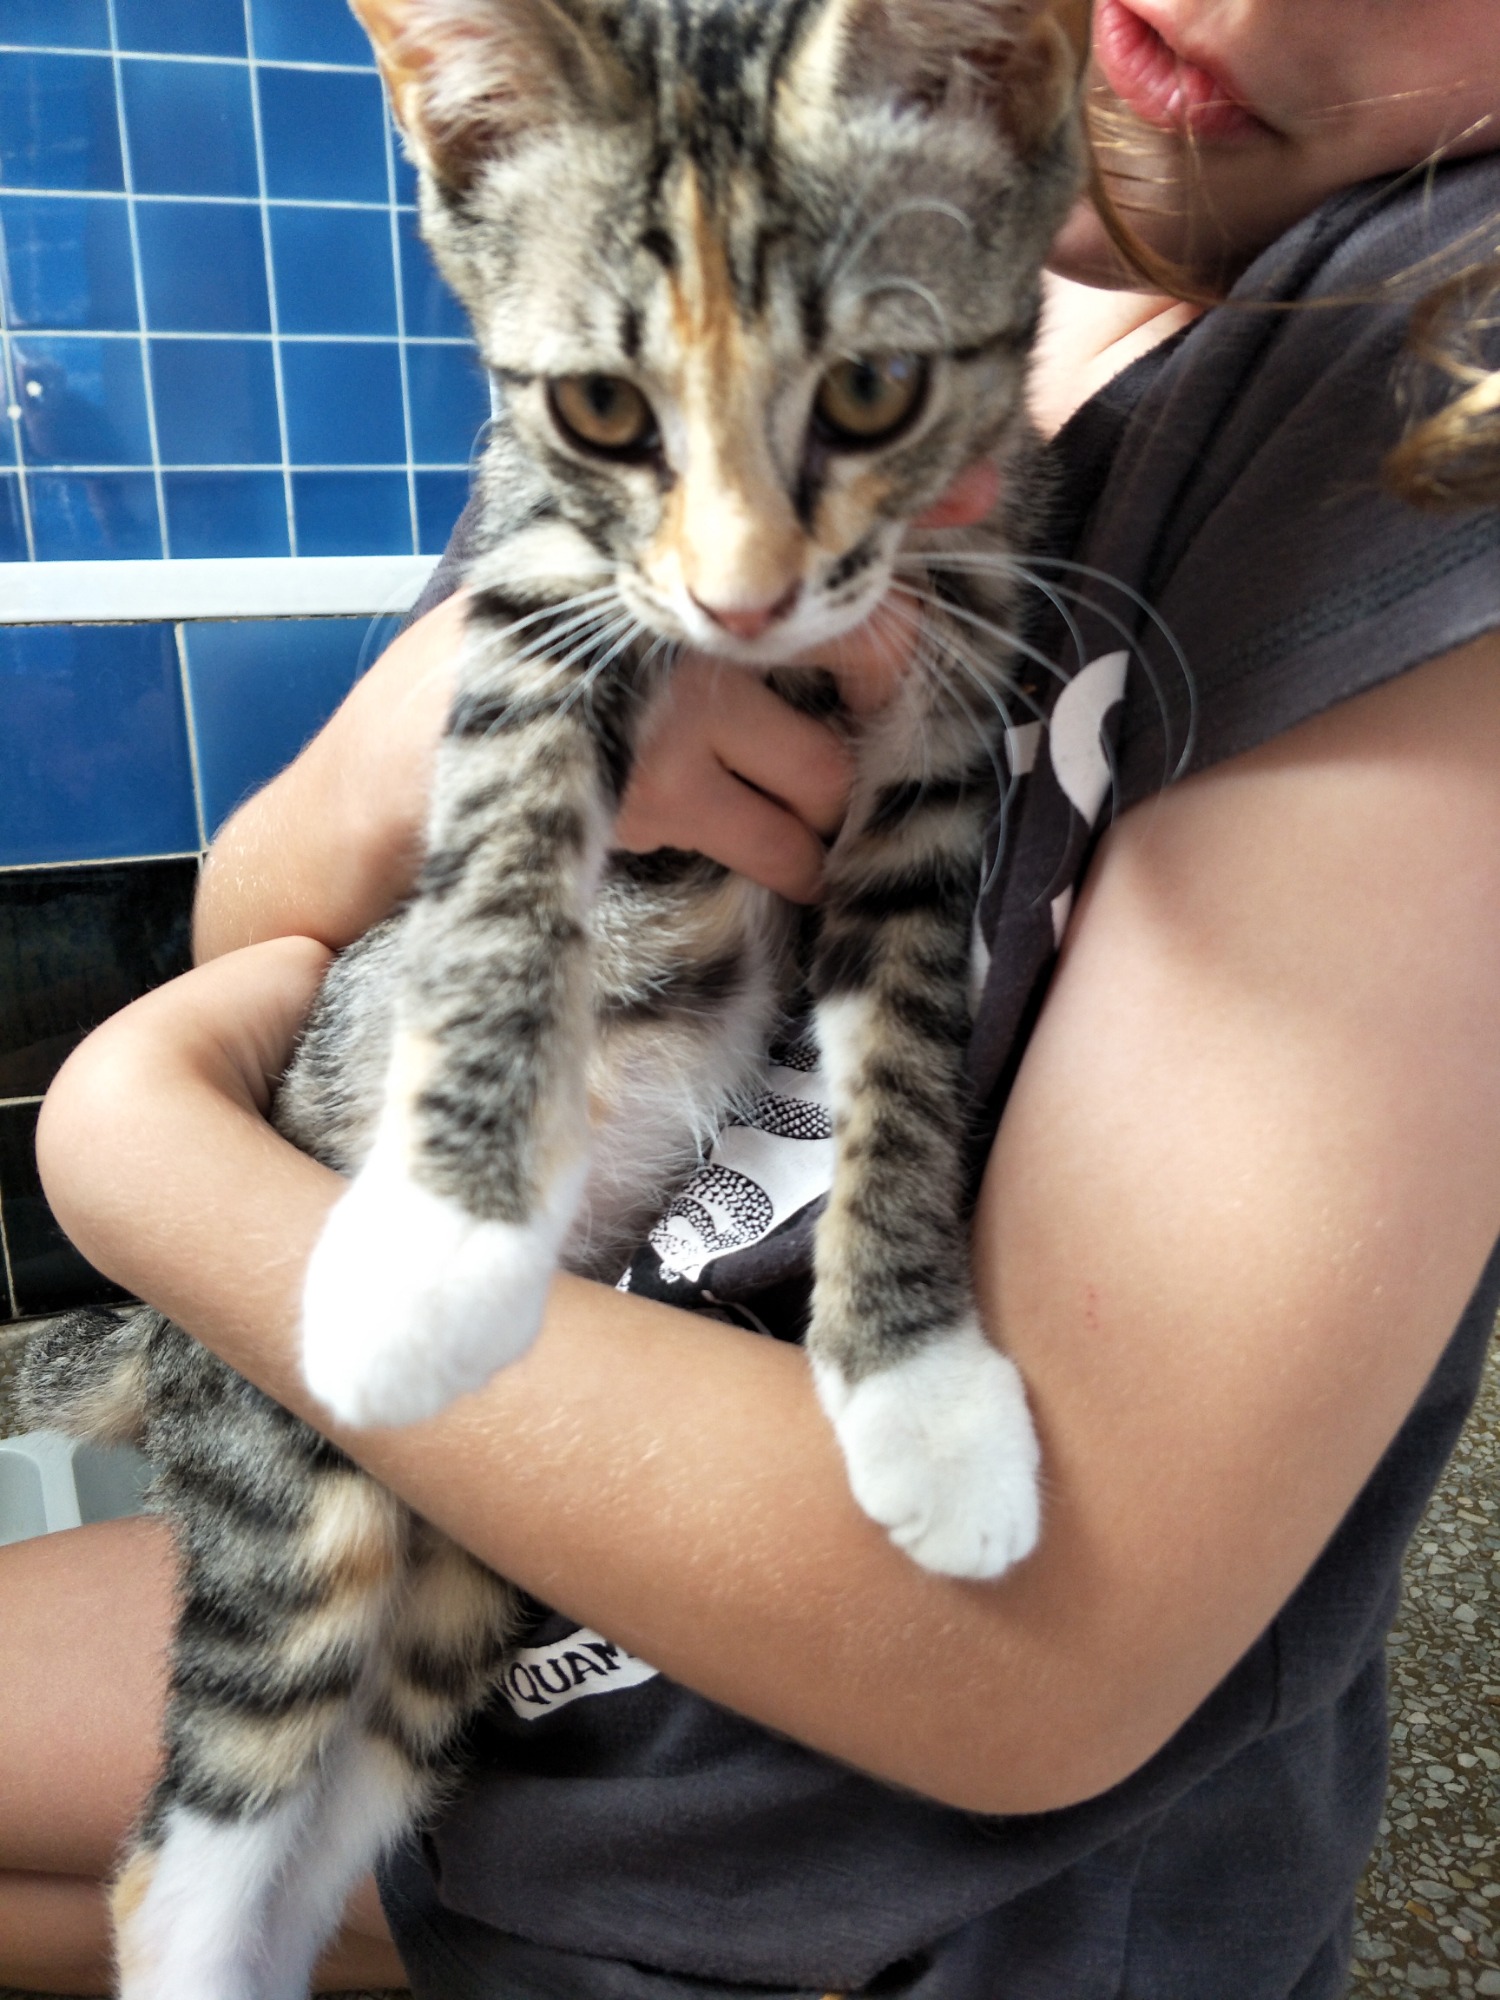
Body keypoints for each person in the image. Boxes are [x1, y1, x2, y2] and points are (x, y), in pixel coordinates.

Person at [4, 0, 1500, 1992]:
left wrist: (128, 1153)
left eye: (872, 388)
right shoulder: (671, 241)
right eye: (612, 417)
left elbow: (1027, 1671)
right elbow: (272, 919)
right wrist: (394, 755)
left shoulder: (1431, 372)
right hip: (526, 1612)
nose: (732, 577)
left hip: (866, 1878)